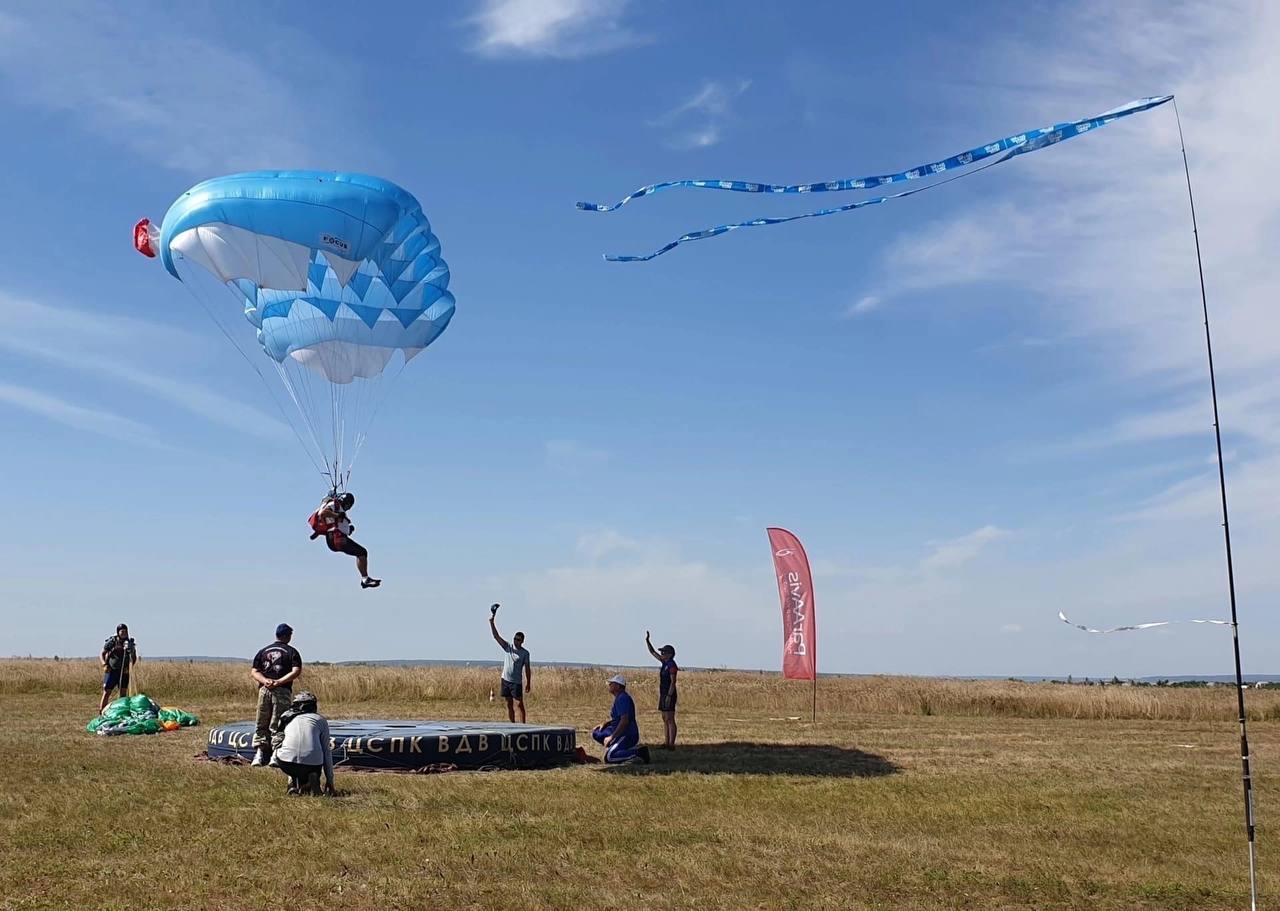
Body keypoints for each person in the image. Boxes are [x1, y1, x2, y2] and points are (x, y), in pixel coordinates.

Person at [249, 623, 303, 766]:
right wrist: (279, 682)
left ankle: (259, 754)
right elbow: (296, 671)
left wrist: (265, 681)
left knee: (262, 720)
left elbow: (254, 671)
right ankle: (275, 754)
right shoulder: (291, 652)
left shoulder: (263, 651)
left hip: (264, 689)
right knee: (279, 722)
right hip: (282, 690)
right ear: (288, 636)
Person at [308, 491, 380, 589]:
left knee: (361, 552)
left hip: (335, 539)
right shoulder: (334, 505)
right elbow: (323, 513)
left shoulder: (338, 508)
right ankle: (365, 579)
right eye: (348, 505)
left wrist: (348, 529)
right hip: (337, 539)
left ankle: (365, 579)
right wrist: (338, 516)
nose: (348, 507)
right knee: (362, 552)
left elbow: (335, 522)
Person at [274, 691, 335, 796]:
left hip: (286, 764)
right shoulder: (321, 720)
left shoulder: (286, 718)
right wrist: (330, 781)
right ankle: (312, 778)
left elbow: (277, 740)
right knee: (311, 757)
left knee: (288, 750)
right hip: (313, 765)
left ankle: (293, 784)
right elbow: (326, 752)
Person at [591, 675, 650, 764]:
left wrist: (611, 737)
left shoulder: (622, 698)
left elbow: (624, 721)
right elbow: (619, 718)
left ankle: (639, 753)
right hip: (618, 730)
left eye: (612, 683)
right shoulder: (619, 698)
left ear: (618, 686)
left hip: (627, 734)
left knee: (609, 757)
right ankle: (617, 747)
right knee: (597, 732)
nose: (609, 685)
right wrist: (606, 724)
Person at [488, 603, 531, 722]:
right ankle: (512, 724)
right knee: (509, 703)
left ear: (522, 641)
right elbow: (496, 636)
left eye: (518, 640)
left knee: (519, 704)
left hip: (516, 682)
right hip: (505, 680)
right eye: (515, 639)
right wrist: (492, 623)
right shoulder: (508, 647)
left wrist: (528, 682)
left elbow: (527, 669)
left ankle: (523, 725)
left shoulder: (525, 653)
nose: (516, 641)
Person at [645, 631, 679, 750]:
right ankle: (666, 742)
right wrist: (647, 641)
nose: (662, 653)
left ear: (670, 654)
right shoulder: (664, 662)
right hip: (663, 693)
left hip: (669, 694)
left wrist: (669, 695)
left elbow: (673, 681)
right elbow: (652, 652)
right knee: (664, 718)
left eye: (664, 652)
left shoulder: (671, 665)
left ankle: (671, 744)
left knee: (670, 718)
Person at [99, 624, 139, 713]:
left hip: (124, 672)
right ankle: (101, 712)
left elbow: (134, 657)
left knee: (123, 694)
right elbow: (102, 653)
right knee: (107, 692)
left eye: (125, 631)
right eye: (122, 631)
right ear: (118, 632)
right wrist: (104, 665)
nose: (124, 633)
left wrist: (130, 668)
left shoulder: (130, 643)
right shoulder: (112, 642)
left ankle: (121, 713)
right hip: (111, 671)